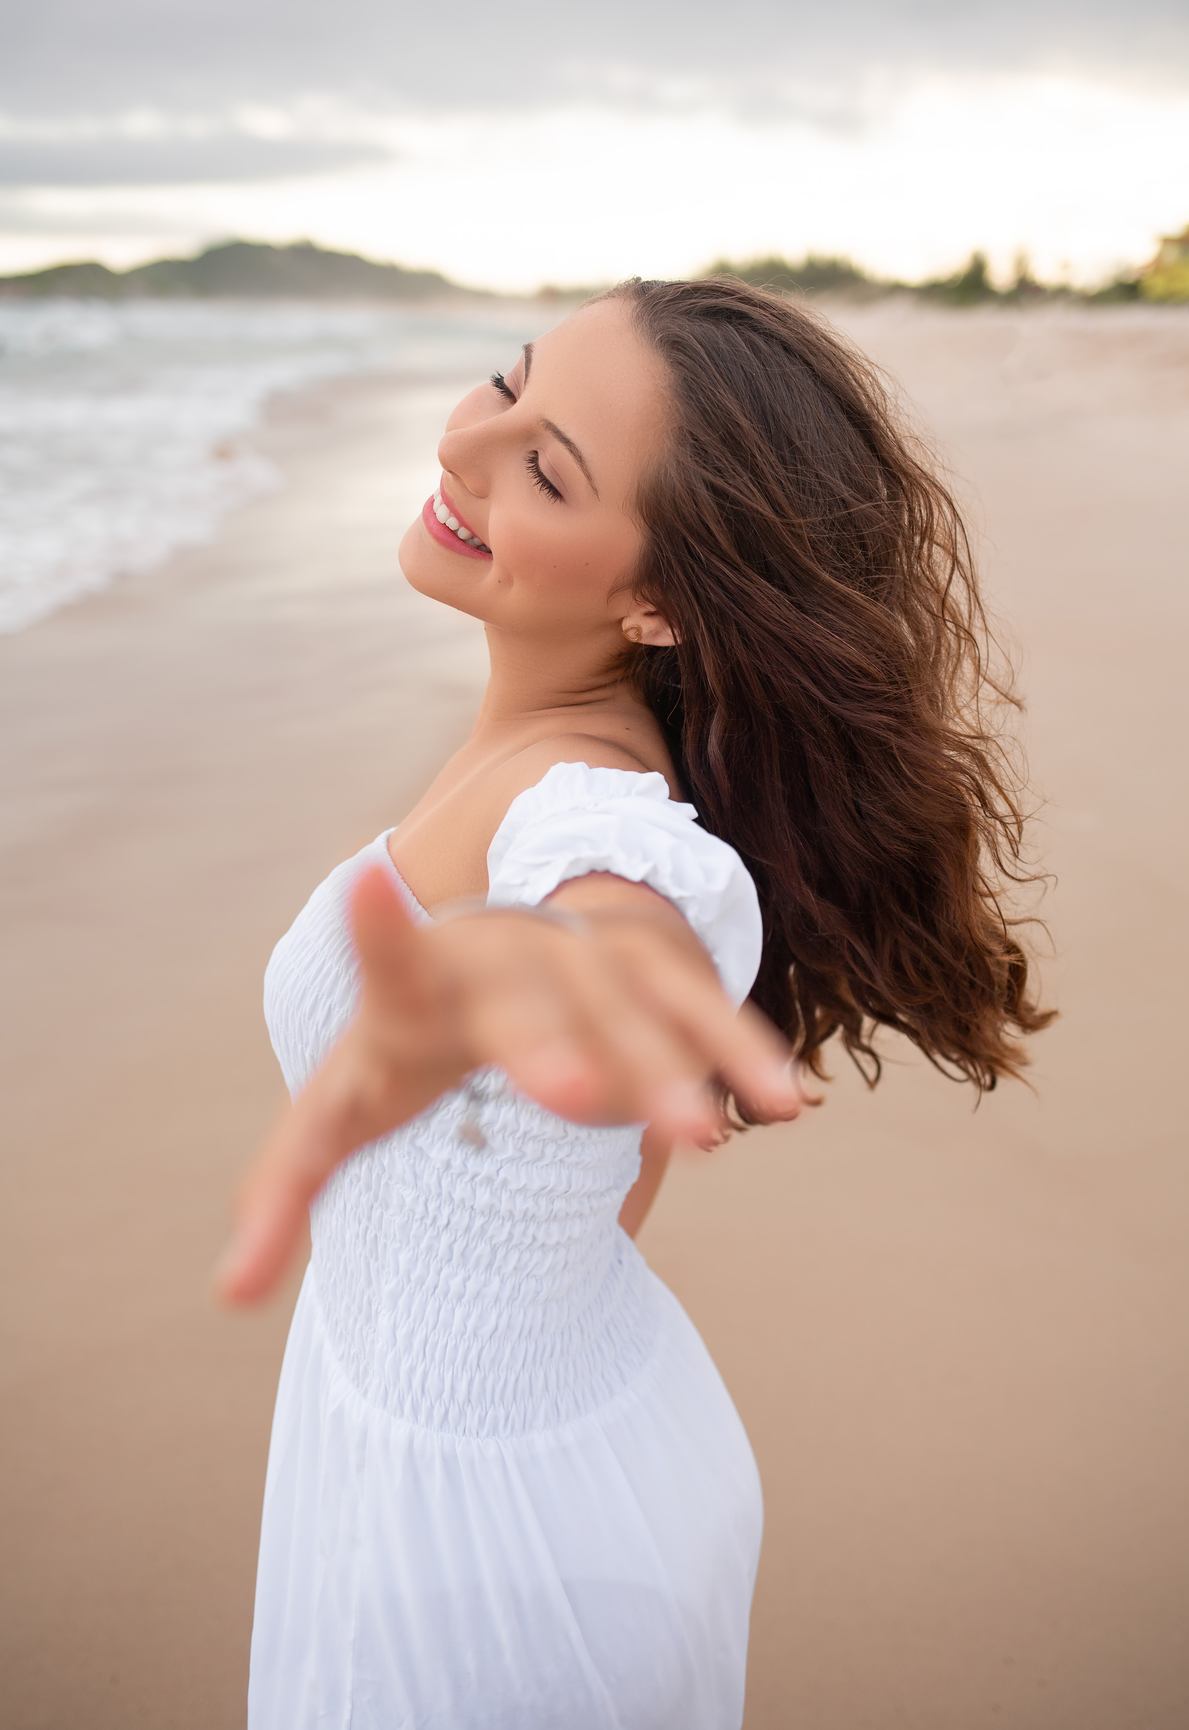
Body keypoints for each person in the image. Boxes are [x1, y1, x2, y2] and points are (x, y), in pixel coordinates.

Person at [217, 277, 1051, 1728]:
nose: (468, 450)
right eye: (506, 384)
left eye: (547, 470)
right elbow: (616, 1172)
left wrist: (584, 981)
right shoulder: (544, 743)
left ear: (659, 599)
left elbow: (624, 917)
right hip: (540, 1433)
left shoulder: (589, 800)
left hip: (493, 1564)